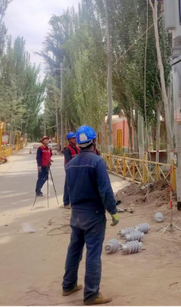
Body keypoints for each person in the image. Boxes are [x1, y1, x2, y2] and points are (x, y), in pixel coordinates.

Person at [62, 125, 119, 305]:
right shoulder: (97, 162)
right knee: (93, 253)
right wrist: (113, 211)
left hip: (76, 215)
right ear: (94, 141)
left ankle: (68, 285)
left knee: (74, 250)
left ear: (78, 144)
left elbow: (67, 189)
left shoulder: (71, 164)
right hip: (93, 216)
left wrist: (67, 202)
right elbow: (105, 190)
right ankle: (91, 294)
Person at [63, 131, 80, 209]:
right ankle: (66, 202)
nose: (75, 139)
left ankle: (74, 201)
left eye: (75, 138)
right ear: (69, 140)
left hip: (77, 169)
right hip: (70, 169)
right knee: (68, 185)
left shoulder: (77, 148)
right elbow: (69, 160)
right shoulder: (67, 149)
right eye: (73, 138)